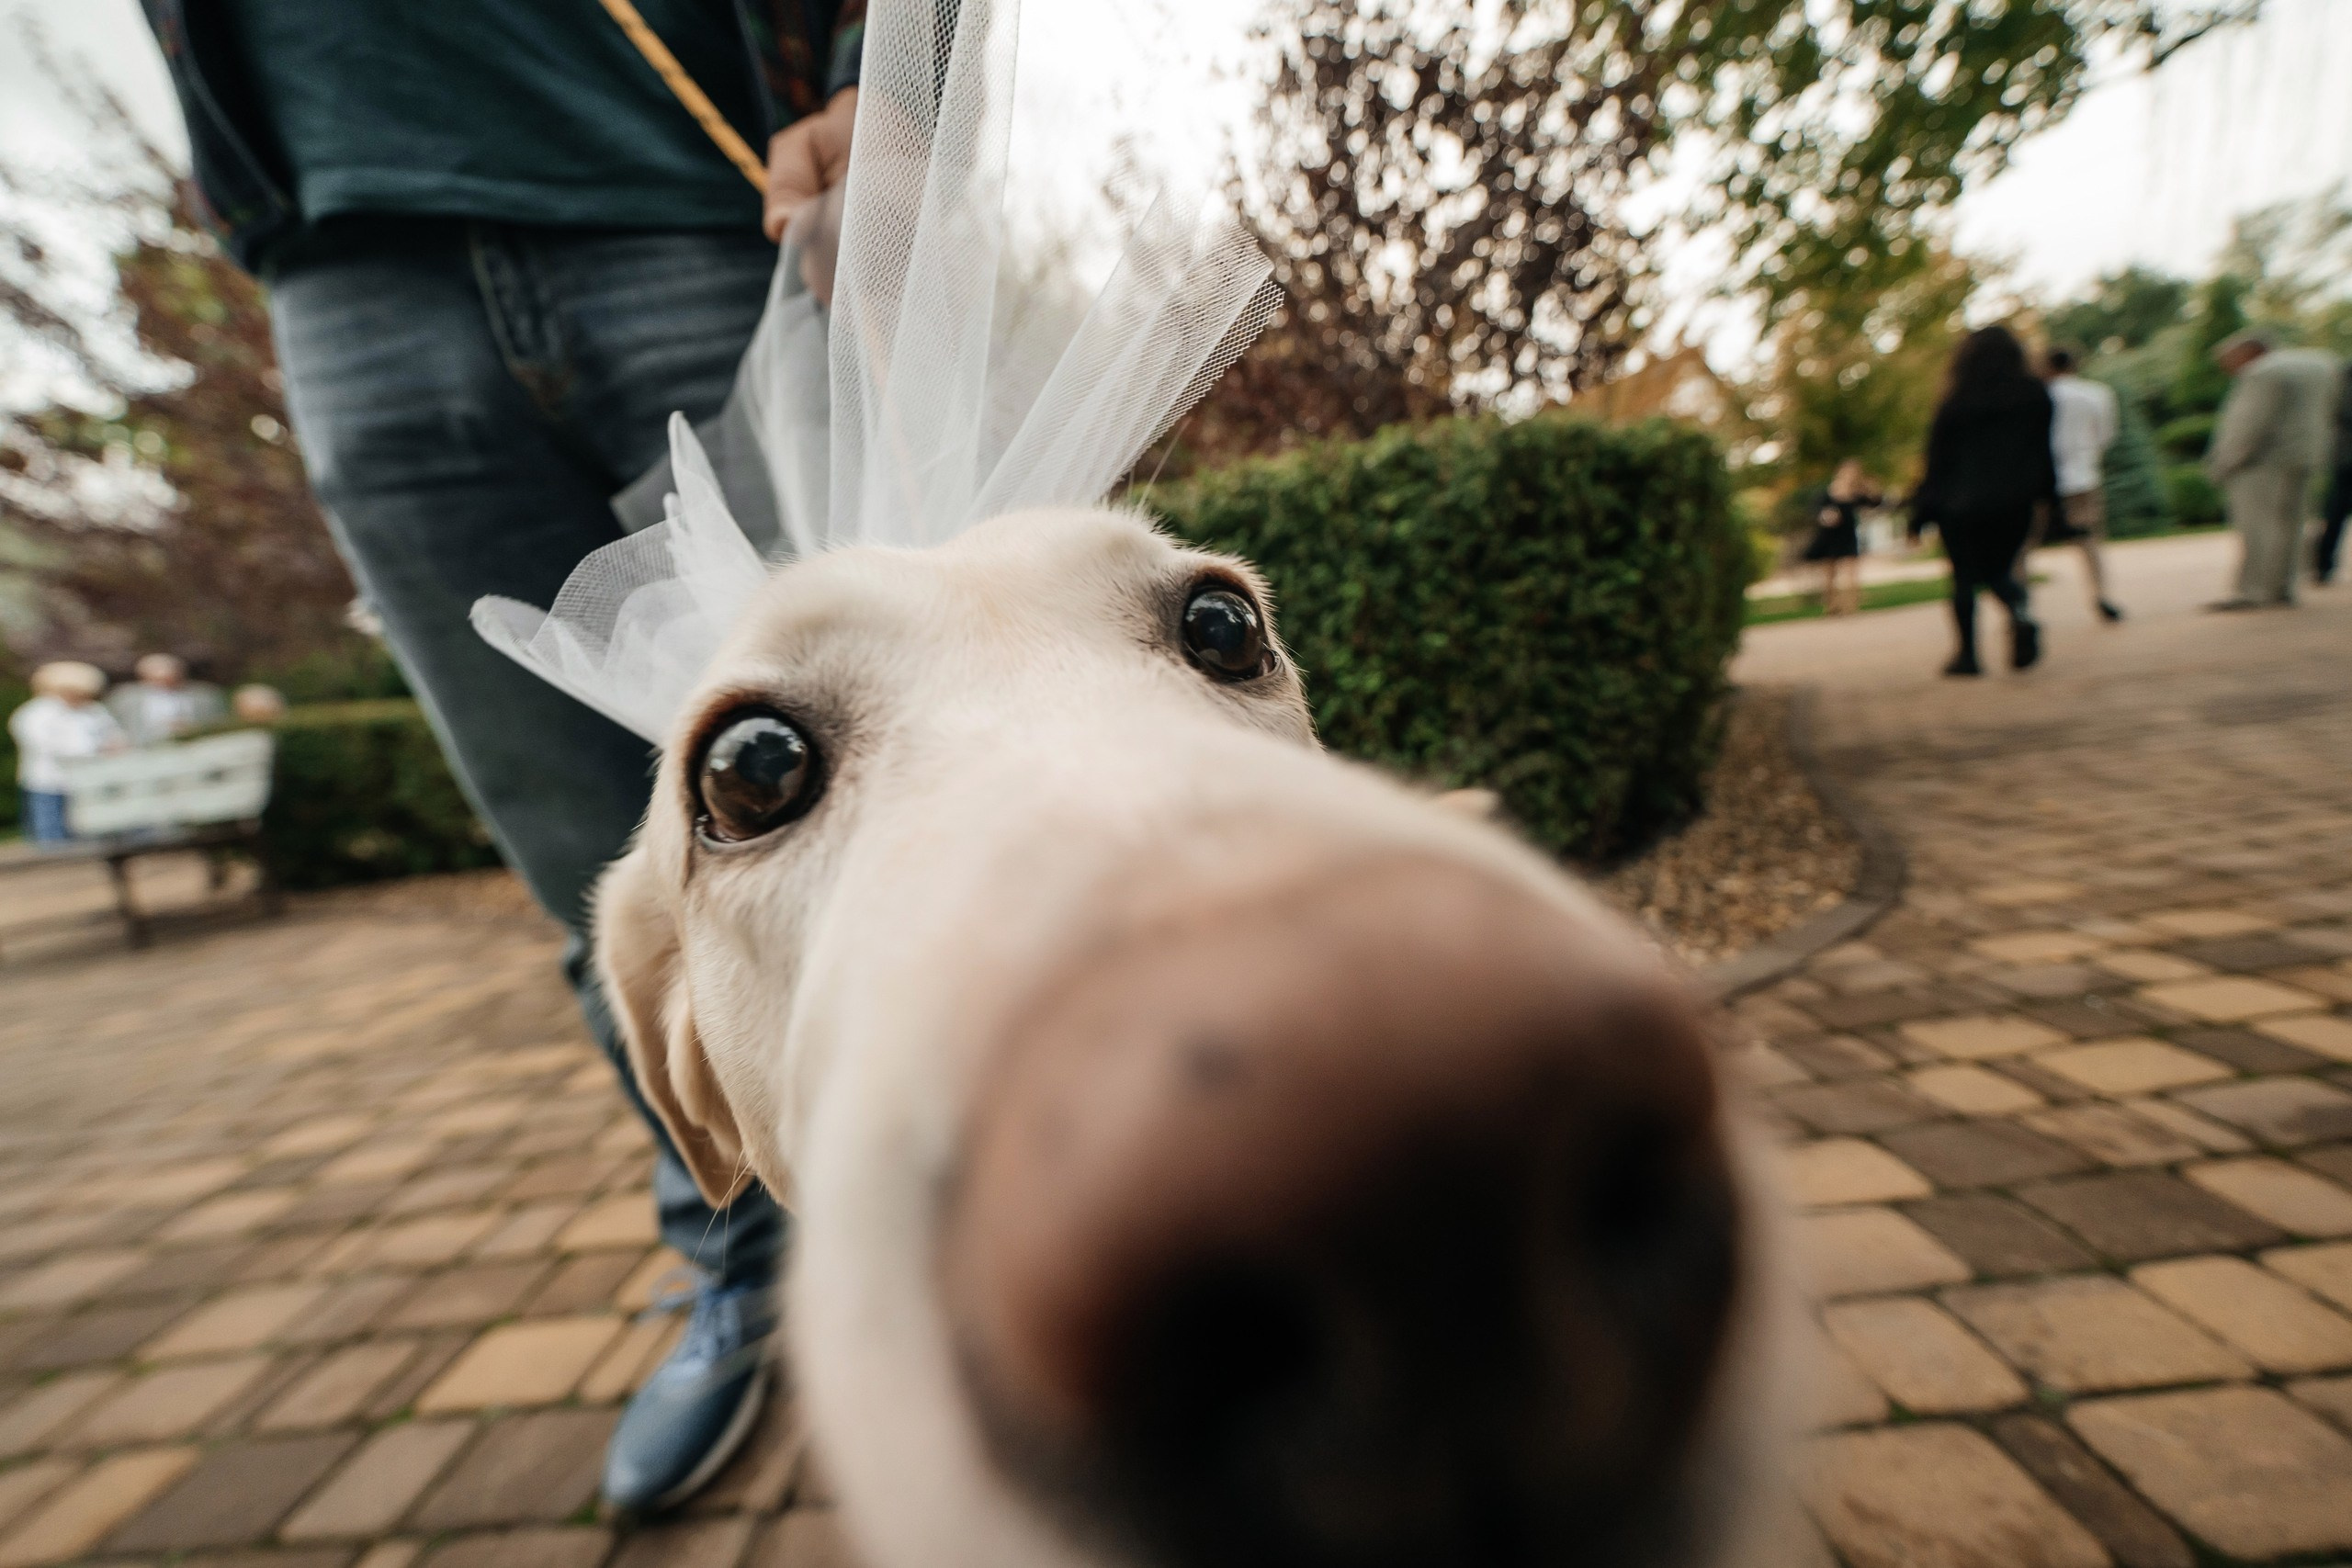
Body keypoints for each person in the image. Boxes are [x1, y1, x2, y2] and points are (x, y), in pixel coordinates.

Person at [140, 0, 865, 1514]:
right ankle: (738, 1244)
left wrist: (876, 80)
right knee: (580, 865)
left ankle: (992, 1205)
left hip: (688, 186)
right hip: (345, 267)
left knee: (885, 777)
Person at [1909, 325, 2057, 678]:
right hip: (2014, 503)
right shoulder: (2035, 395)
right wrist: (2051, 501)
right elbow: (2043, 454)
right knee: (1999, 570)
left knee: (1963, 578)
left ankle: (1968, 657)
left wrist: (1921, 512)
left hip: (1960, 505)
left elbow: (1937, 463)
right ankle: (2019, 611)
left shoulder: (1956, 401)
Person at [2204, 327, 2343, 610]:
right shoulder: (2322, 364)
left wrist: (2224, 462)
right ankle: (2284, 586)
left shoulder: (2261, 373)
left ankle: (2256, 591)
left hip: (2261, 462)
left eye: (2229, 359)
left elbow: (2250, 424)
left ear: (2249, 351)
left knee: (2258, 526)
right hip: (2305, 456)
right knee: (2291, 525)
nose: (2227, 368)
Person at [2041, 346, 2124, 622]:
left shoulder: (2039, 395)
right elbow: (2106, 435)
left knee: (2025, 543)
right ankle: (2101, 594)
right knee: (2090, 540)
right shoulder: (2097, 393)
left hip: (2042, 480)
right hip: (2083, 477)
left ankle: (2020, 609)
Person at [10, 662, 128, 844]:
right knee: (51, 829)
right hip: (48, 781)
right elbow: (45, 745)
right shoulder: (36, 713)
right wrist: (94, 751)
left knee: (89, 829)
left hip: (90, 779)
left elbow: (114, 735)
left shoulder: (94, 711)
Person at [1800, 459, 1880, 615]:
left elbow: (1875, 502)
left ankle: (1851, 606)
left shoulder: (1856, 494)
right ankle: (1831, 606)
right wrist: (1826, 516)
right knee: (1830, 573)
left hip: (1848, 535)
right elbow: (1816, 511)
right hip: (1829, 536)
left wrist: (1872, 487)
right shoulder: (1827, 493)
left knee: (1852, 571)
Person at [107, 653, 227, 747]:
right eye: (157, 680)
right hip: (145, 750)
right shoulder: (125, 698)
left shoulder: (204, 694)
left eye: (170, 679)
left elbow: (219, 724)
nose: (164, 685)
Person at [2313, 364, 2352, 585]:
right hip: (2347, 457)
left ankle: (2324, 564)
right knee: (2336, 511)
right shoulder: (2345, 376)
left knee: (2336, 511)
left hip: (2345, 455)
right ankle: (2324, 563)